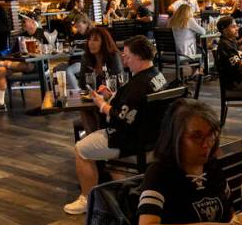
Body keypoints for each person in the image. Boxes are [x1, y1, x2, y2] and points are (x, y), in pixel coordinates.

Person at [64, 36, 168, 215]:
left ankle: (86, 199)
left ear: (140, 57)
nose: (124, 60)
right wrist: (113, 96)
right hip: (155, 137)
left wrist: (101, 104)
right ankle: (118, 186)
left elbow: (120, 119)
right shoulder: (157, 76)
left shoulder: (138, 85)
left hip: (132, 140)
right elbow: (133, 108)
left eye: (127, 56)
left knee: (81, 148)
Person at [0, 14, 42, 114]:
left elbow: (49, 49)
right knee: (1, 70)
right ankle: (0, 104)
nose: (23, 23)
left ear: (32, 22)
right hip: (21, 64)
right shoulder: (23, 36)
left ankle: (0, 63)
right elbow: (13, 53)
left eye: (25, 21)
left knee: (28, 64)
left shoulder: (42, 33)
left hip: (37, 65)